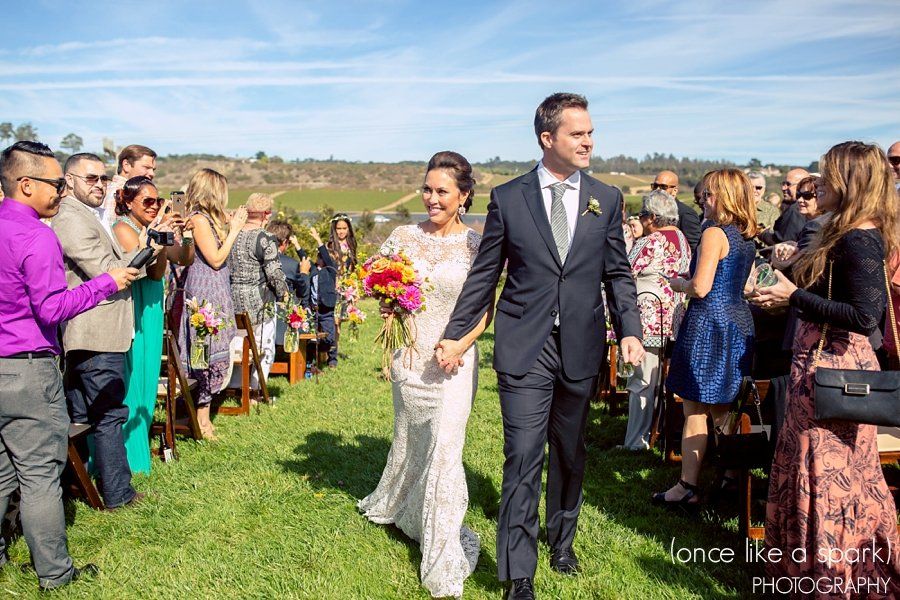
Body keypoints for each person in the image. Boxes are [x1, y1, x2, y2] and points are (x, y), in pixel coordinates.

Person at [438, 93, 643, 599]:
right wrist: (455, 336)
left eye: (591, 132)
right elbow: (485, 276)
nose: (589, 141)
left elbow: (618, 271)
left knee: (571, 453)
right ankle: (517, 574)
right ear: (547, 138)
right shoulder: (509, 198)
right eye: (578, 133)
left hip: (581, 345)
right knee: (523, 454)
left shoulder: (607, 198)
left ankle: (563, 538)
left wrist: (632, 329)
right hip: (524, 345)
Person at [752, 141, 900, 590]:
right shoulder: (847, 230)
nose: (819, 183)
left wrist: (792, 296)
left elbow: (864, 315)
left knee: (827, 475)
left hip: (835, 371)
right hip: (818, 363)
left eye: (828, 174)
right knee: (817, 469)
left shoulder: (859, 237)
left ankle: (833, 577)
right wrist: (794, 272)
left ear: (849, 182)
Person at [0, 141, 138, 591]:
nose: (62, 191)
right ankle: (56, 575)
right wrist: (105, 283)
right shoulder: (37, 235)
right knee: (40, 474)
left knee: (2, 472)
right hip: (27, 367)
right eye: (56, 183)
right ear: (26, 185)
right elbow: (52, 308)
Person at [359, 151, 485, 598]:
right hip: (410, 357)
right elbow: (374, 281)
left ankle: (442, 551)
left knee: (447, 451)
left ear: (464, 196)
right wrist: (387, 300)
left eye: (442, 191)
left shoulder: (475, 245)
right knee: (414, 439)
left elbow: (483, 310)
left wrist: (461, 345)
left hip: (454, 360)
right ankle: (406, 506)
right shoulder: (402, 236)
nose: (432, 198)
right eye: (427, 189)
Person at [52, 153, 167, 509]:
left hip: (95, 329)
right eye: (91, 178)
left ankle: (82, 485)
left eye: (103, 178)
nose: (100, 185)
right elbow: (107, 273)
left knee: (87, 414)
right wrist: (147, 251)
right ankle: (118, 493)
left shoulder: (86, 216)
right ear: (69, 180)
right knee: (107, 413)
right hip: (94, 329)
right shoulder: (70, 218)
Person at [652, 168, 757, 508]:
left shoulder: (714, 233)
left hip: (709, 323)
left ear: (725, 197)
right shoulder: (745, 236)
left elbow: (700, 287)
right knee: (724, 408)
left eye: (710, 195)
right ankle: (729, 478)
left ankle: (689, 486)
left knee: (696, 407)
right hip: (737, 319)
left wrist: (678, 283)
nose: (704, 201)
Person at [112, 176, 193, 474]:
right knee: (134, 380)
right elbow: (153, 272)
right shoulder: (123, 228)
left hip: (153, 307)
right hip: (135, 308)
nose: (153, 206)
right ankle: (130, 459)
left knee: (147, 381)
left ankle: (138, 450)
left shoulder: (149, 229)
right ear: (128, 201)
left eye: (157, 201)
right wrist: (157, 238)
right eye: (147, 201)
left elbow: (183, 259)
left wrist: (185, 235)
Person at [619, 190, 690, 451]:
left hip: (648, 320)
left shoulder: (652, 240)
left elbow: (625, 272)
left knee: (642, 381)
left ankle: (636, 442)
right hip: (674, 319)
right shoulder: (682, 239)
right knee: (659, 382)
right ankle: (656, 434)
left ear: (651, 217)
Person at [178, 168, 246, 439]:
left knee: (212, 350)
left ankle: (203, 415)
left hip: (216, 291)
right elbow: (216, 259)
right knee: (203, 351)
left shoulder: (207, 219)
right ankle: (201, 419)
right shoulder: (198, 220)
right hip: (204, 292)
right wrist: (235, 231)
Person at [227, 193, 289, 388]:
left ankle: (235, 387)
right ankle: (255, 389)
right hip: (259, 303)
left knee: (237, 345)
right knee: (264, 347)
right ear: (266, 214)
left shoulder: (232, 233)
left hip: (232, 299)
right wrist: (284, 293)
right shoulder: (265, 237)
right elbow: (273, 272)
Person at [101, 144, 157, 226]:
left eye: (153, 169)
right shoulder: (118, 191)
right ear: (126, 165)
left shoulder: (115, 189)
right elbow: (110, 231)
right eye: (146, 167)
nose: (152, 174)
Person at [308, 226, 339, 368]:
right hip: (313, 309)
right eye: (319, 256)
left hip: (326, 308)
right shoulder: (313, 269)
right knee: (311, 338)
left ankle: (331, 358)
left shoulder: (330, 270)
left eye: (322, 256)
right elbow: (302, 258)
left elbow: (326, 254)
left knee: (330, 337)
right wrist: (296, 245)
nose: (320, 258)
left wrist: (317, 239)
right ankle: (311, 361)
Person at [651, 170, 702, 253]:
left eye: (663, 187)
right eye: (655, 186)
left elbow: (694, 248)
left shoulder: (686, 214)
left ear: (675, 190)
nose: (657, 190)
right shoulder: (651, 211)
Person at [267, 219, 311, 306]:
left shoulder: (257, 258)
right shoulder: (292, 265)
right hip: (282, 311)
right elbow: (303, 293)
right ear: (284, 242)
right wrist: (304, 273)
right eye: (289, 243)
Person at [759, 168, 808, 245]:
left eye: (788, 184)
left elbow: (783, 243)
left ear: (802, 185)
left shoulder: (796, 210)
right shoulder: (809, 207)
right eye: (783, 184)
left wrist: (762, 233)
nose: (783, 188)